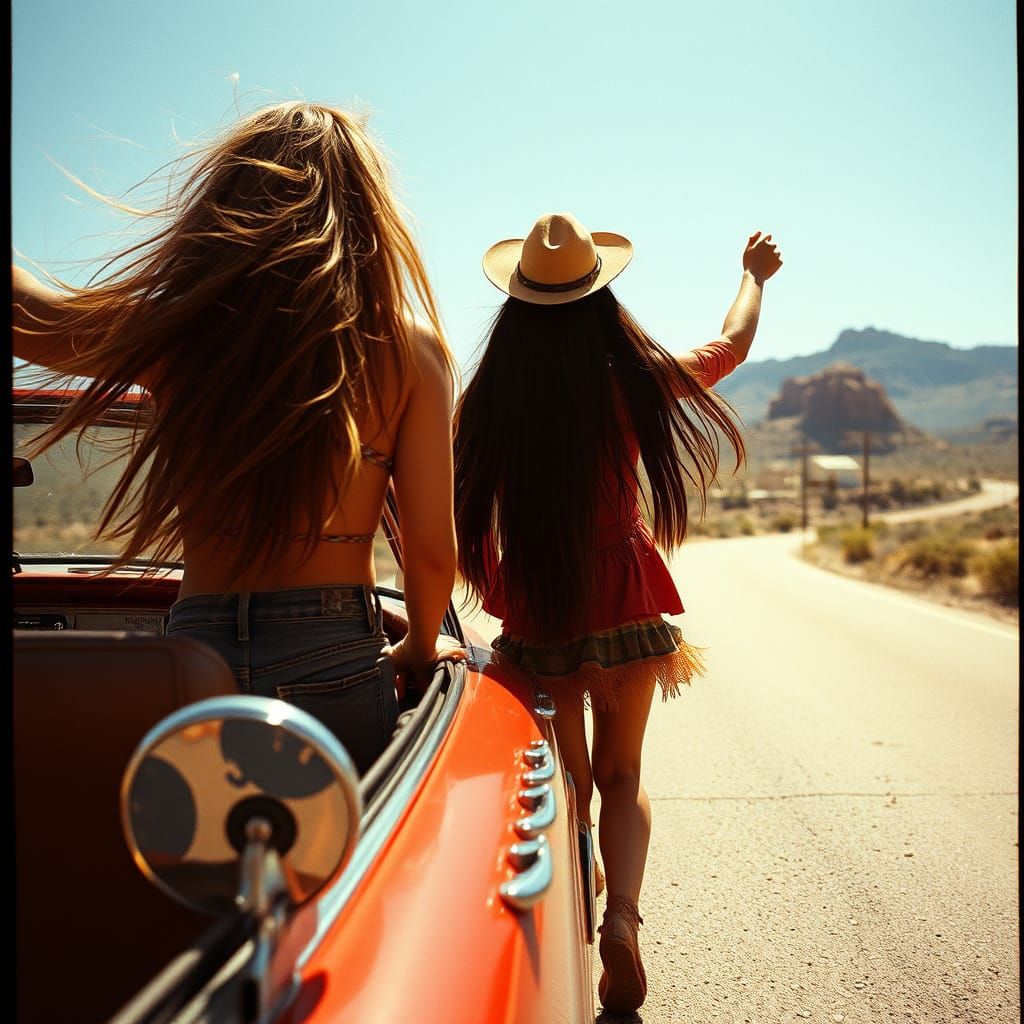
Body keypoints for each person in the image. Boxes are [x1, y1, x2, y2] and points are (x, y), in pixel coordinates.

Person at [12, 101, 464, 775]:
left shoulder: (179, 333)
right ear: (367, 213)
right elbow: (431, 555)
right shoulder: (410, 350)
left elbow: (28, 315)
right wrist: (419, 649)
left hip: (197, 652)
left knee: (198, 869)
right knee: (343, 867)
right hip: (335, 651)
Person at [453, 212, 782, 1013]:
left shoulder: (494, 394)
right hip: (627, 594)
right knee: (624, 774)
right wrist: (754, 278)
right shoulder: (628, 376)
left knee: (568, 780)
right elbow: (727, 348)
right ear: (597, 294)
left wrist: (496, 588)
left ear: (520, 301)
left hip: (542, 606)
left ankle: (574, 914)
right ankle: (624, 921)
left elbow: (460, 503)